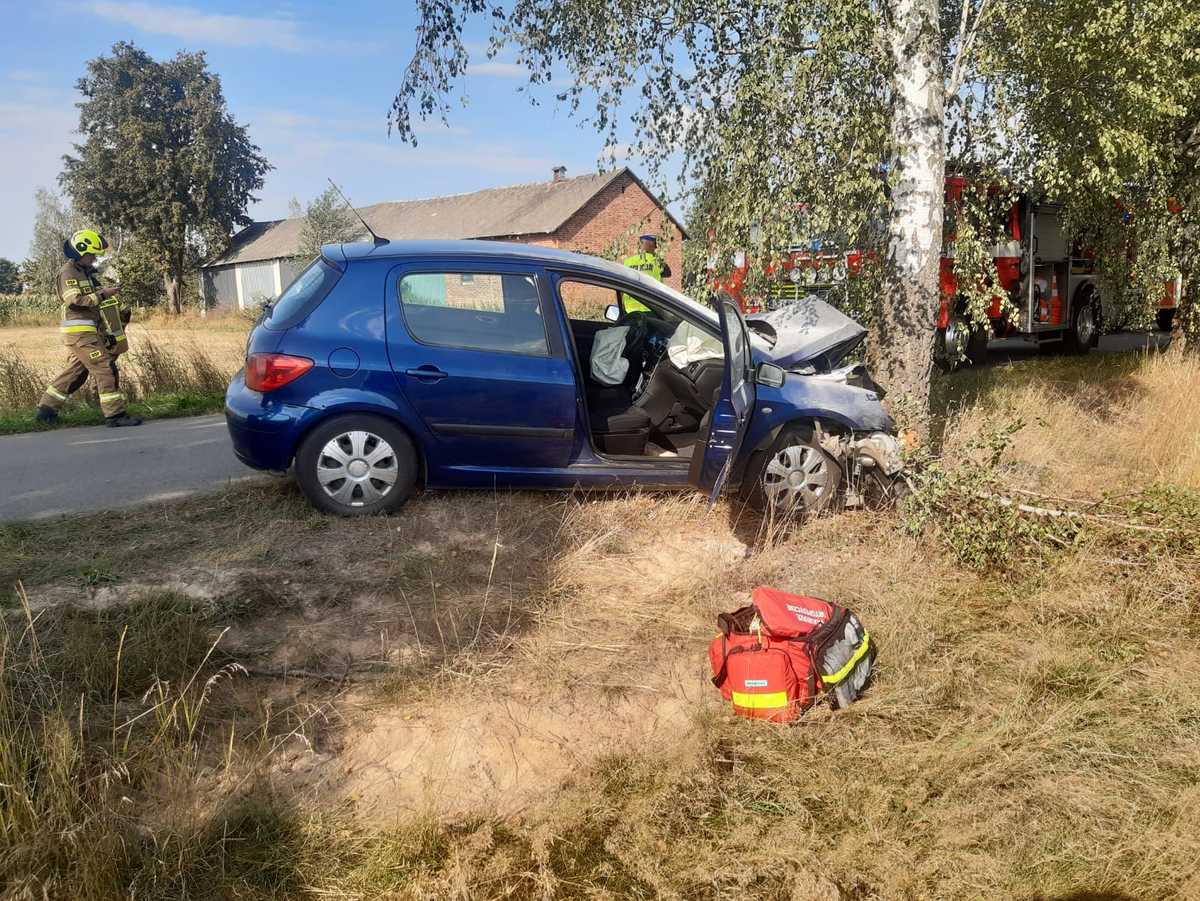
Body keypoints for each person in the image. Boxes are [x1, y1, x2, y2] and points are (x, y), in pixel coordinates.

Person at [34, 229, 142, 427]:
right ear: (80, 251)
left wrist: (106, 294)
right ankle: (115, 416)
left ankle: (46, 410)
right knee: (104, 367)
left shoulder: (84, 272)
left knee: (76, 372)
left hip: (87, 332)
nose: (94, 259)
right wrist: (102, 294)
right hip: (80, 333)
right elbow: (74, 301)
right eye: (92, 255)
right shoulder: (68, 272)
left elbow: (91, 299)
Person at [621, 234, 672, 314]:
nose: (656, 248)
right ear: (650, 245)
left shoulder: (628, 261)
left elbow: (621, 284)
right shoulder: (657, 261)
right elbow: (668, 273)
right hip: (652, 309)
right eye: (655, 246)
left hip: (630, 311)